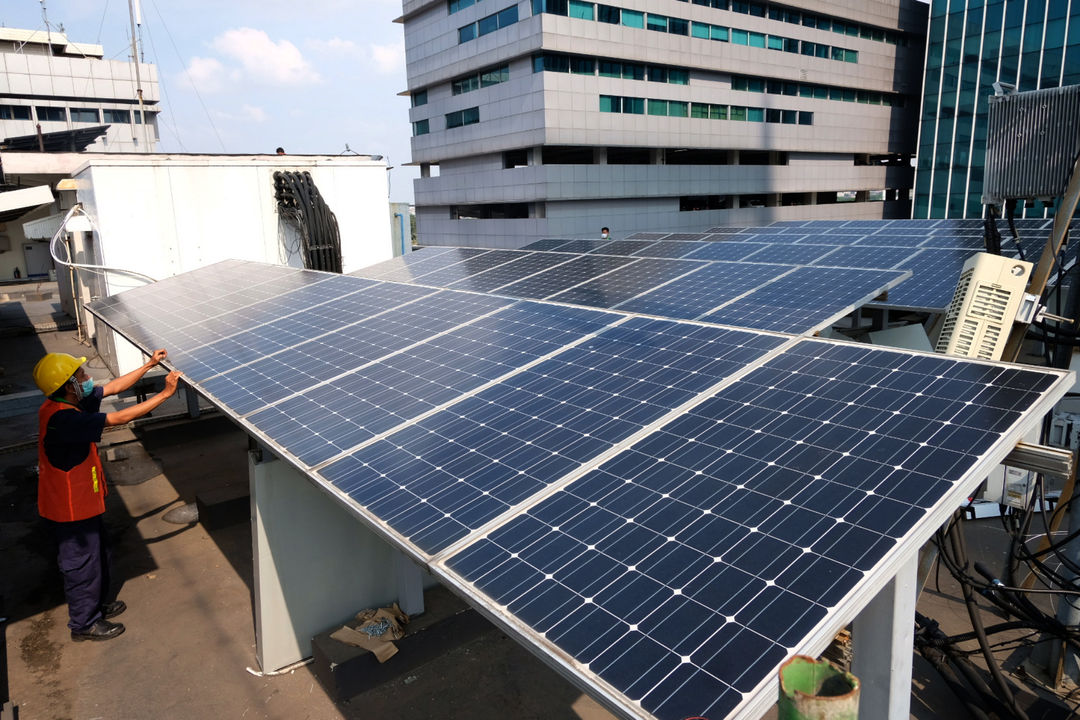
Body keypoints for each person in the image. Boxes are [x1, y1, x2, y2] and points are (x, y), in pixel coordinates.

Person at [33, 350, 183, 641]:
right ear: (68, 385)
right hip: (70, 508)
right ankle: (84, 623)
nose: (86, 379)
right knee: (81, 564)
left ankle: (96, 606)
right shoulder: (63, 419)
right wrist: (165, 395)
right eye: (80, 376)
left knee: (99, 553)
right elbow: (118, 417)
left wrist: (149, 364)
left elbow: (114, 387)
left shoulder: (66, 402)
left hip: (83, 501)